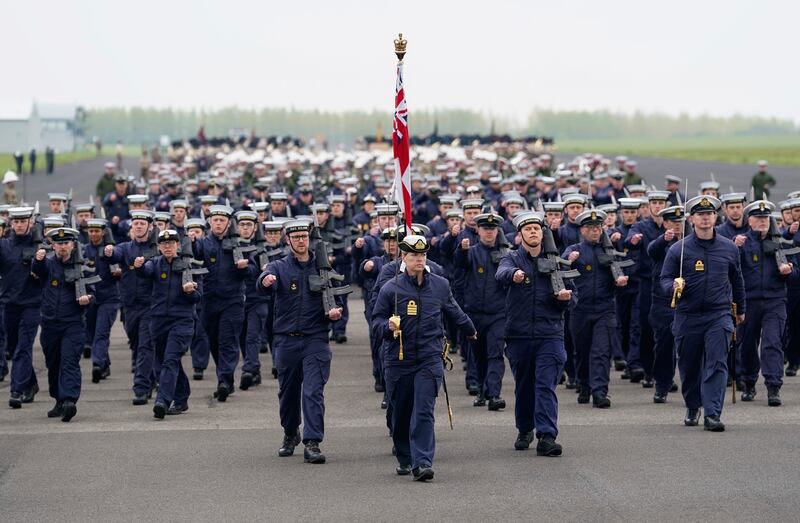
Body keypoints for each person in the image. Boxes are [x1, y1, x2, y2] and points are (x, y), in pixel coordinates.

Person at [372, 234, 476, 481]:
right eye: (413, 255)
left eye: (422, 255)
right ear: (403, 258)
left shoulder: (439, 284)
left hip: (429, 357)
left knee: (424, 410)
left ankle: (422, 462)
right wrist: (387, 327)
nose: (418, 259)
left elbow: (454, 310)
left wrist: (470, 330)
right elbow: (375, 322)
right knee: (401, 412)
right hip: (399, 359)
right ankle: (405, 455)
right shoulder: (391, 288)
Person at [258, 219, 343, 464]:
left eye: (304, 237)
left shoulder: (323, 268)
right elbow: (264, 279)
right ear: (288, 240)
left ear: (309, 239)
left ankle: (312, 442)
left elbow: (337, 302)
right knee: (288, 392)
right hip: (286, 339)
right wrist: (265, 281)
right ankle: (289, 432)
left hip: (315, 338)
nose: (300, 241)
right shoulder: (280, 267)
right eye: (295, 238)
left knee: (313, 391)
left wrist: (336, 314)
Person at [660, 195, 746, 432]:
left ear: (716, 216)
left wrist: (741, 309)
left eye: (709, 214)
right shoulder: (679, 249)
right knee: (689, 367)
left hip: (718, 314)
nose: (705, 218)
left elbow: (737, 280)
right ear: (692, 218)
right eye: (700, 214)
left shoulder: (728, 248)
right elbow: (664, 279)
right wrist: (673, 287)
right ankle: (692, 405)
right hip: (687, 315)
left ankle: (713, 413)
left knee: (717, 364)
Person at [496, 211, 575, 455]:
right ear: (519, 235)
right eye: (527, 229)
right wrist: (514, 275)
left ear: (543, 233)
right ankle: (524, 428)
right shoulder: (511, 259)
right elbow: (501, 274)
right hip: (519, 335)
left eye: (537, 229)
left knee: (545, 386)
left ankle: (547, 436)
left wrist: (564, 299)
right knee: (524, 386)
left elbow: (573, 297)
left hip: (549, 334)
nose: (532, 232)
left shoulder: (556, 261)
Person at [563, 209, 629, 408]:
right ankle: (584, 385)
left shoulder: (608, 251)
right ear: (582, 230)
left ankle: (600, 392)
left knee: (601, 352)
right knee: (581, 352)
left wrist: (620, 279)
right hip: (580, 309)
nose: (595, 231)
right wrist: (569, 262)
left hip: (604, 309)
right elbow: (560, 270)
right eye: (590, 228)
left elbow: (619, 271)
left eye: (598, 227)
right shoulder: (573, 249)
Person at [135, 229, 201, 418]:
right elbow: (145, 273)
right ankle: (181, 398)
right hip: (158, 321)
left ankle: (162, 401)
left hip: (182, 321)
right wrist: (139, 266)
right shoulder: (155, 264)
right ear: (159, 247)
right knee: (164, 362)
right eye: (164, 244)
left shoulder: (189, 266)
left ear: (178, 246)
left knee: (170, 360)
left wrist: (189, 291)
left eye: (171, 243)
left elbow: (198, 296)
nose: (167, 247)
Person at [32, 227, 95, 422]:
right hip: (50, 324)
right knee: (53, 363)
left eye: (66, 243)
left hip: (73, 324)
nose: (62, 247)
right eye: (59, 244)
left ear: (73, 245)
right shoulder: (48, 265)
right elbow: (37, 270)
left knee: (69, 361)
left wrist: (87, 298)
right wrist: (39, 259)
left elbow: (94, 291)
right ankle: (59, 400)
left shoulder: (82, 266)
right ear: (53, 245)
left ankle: (69, 401)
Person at [737, 200, 794, 406]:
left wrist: (789, 271)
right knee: (748, 344)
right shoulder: (742, 244)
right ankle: (749, 383)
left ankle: (773, 386)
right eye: (758, 218)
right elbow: (731, 271)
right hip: (749, 301)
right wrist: (735, 248)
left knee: (772, 342)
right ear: (749, 221)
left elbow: (795, 268)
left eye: (765, 218)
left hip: (775, 300)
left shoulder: (782, 242)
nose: (762, 222)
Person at [192, 205, 249, 402]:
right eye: (215, 220)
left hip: (232, 300)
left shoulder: (238, 243)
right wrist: (189, 242)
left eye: (222, 220)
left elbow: (254, 270)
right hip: (209, 300)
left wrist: (244, 267)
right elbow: (193, 255)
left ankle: (224, 381)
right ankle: (226, 378)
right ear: (209, 222)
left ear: (228, 223)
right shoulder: (203, 243)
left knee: (227, 341)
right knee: (214, 341)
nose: (218, 223)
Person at [454, 212, 508, 410]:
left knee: (495, 354)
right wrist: (461, 249)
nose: (489, 233)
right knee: (478, 355)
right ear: (478, 230)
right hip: (474, 313)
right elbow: (459, 264)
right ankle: (482, 391)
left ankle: (494, 394)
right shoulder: (472, 252)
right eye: (485, 229)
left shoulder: (506, 254)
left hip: (498, 314)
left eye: (492, 229)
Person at [106, 209, 157, 405]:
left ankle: (141, 388)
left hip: (150, 305)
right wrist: (109, 252)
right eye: (135, 224)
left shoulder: (156, 248)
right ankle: (151, 379)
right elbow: (115, 255)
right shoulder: (125, 248)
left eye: (142, 224)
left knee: (145, 346)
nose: (138, 227)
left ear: (150, 227)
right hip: (129, 306)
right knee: (136, 345)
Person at [1, 206, 43, 408]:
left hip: (32, 305)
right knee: (13, 347)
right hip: (9, 304)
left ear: (30, 223)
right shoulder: (4, 246)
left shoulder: (40, 247)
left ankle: (16, 390)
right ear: (11, 223)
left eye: (22, 221)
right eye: (15, 222)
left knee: (23, 349)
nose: (18, 225)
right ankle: (31, 383)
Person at [646, 206, 686, 403]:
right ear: (665, 223)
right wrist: (664, 239)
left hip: (687, 300)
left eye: (680, 222)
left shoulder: (692, 241)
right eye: (672, 221)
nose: (677, 225)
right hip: (663, 301)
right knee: (663, 345)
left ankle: (690, 385)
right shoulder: (661, 243)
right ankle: (662, 384)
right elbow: (651, 251)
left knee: (688, 346)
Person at [84, 218, 121, 383]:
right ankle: (105, 364)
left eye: (97, 231)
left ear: (103, 232)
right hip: (91, 298)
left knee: (101, 332)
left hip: (109, 297)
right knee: (92, 333)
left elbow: (122, 267)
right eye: (91, 231)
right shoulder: (83, 251)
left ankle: (97, 364)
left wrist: (118, 271)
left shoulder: (111, 250)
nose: (94, 234)